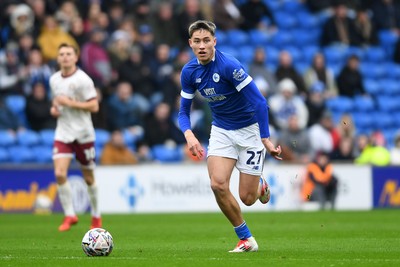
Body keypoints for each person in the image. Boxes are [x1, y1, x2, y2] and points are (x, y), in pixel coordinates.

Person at [178, 20, 282, 253]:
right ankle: (246, 238)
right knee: (217, 184)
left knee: (247, 198)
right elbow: (183, 111)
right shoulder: (189, 72)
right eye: (197, 41)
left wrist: (265, 138)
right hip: (222, 131)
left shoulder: (229, 66)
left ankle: (260, 185)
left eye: (206, 40)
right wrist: (189, 135)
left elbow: (259, 102)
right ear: (190, 44)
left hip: (249, 131)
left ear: (214, 42)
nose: (202, 45)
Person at [49, 43, 102, 232]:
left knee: (88, 178)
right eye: (61, 54)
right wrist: (55, 109)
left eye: (68, 54)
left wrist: (69, 103)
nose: (64, 57)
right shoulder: (54, 79)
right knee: (59, 174)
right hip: (63, 132)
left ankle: (96, 217)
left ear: (75, 57)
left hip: (83, 133)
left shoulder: (83, 80)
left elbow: (94, 106)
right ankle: (70, 214)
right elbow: (57, 102)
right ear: (58, 58)